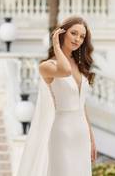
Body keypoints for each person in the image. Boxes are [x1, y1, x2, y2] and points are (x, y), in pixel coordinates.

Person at [17, 16, 97, 176]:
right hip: (62, 132)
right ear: (62, 33)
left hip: (81, 133)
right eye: (74, 33)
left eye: (82, 36)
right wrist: (56, 45)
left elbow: (82, 105)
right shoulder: (47, 66)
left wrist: (91, 137)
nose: (78, 39)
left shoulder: (80, 66)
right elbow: (65, 71)